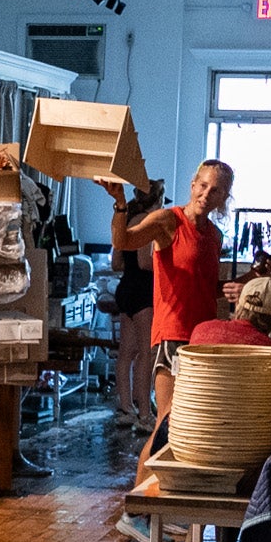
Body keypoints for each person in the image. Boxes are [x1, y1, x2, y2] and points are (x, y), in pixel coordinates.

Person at [101, 159, 232, 542]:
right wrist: (120, 204)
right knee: (167, 423)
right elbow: (123, 242)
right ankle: (136, 512)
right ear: (192, 184)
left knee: (184, 429)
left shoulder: (215, 235)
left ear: (224, 196)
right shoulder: (168, 221)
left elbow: (208, 292)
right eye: (203, 185)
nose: (207, 194)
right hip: (172, 336)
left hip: (201, 341)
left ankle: (162, 507)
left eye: (217, 190)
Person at [107, 181, 159, 429]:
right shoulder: (149, 220)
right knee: (145, 355)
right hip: (143, 291)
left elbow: (116, 263)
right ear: (158, 201)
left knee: (126, 354)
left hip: (126, 288)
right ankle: (145, 415)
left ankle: (126, 408)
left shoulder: (125, 219)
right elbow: (144, 262)